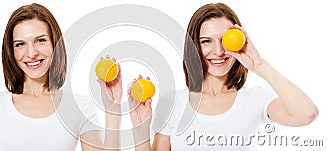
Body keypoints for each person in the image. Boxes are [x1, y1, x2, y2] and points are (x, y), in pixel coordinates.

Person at [128, 3, 319, 150]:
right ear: (194, 47)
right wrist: (139, 126)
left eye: (225, 40)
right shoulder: (171, 102)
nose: (218, 51)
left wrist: (259, 65)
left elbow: (306, 114)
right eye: (206, 41)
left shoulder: (257, 98)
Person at [0, 3, 121, 151]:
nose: (31, 53)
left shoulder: (79, 106)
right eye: (20, 44)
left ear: (55, 44)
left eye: (40, 40)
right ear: (11, 52)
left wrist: (113, 112)